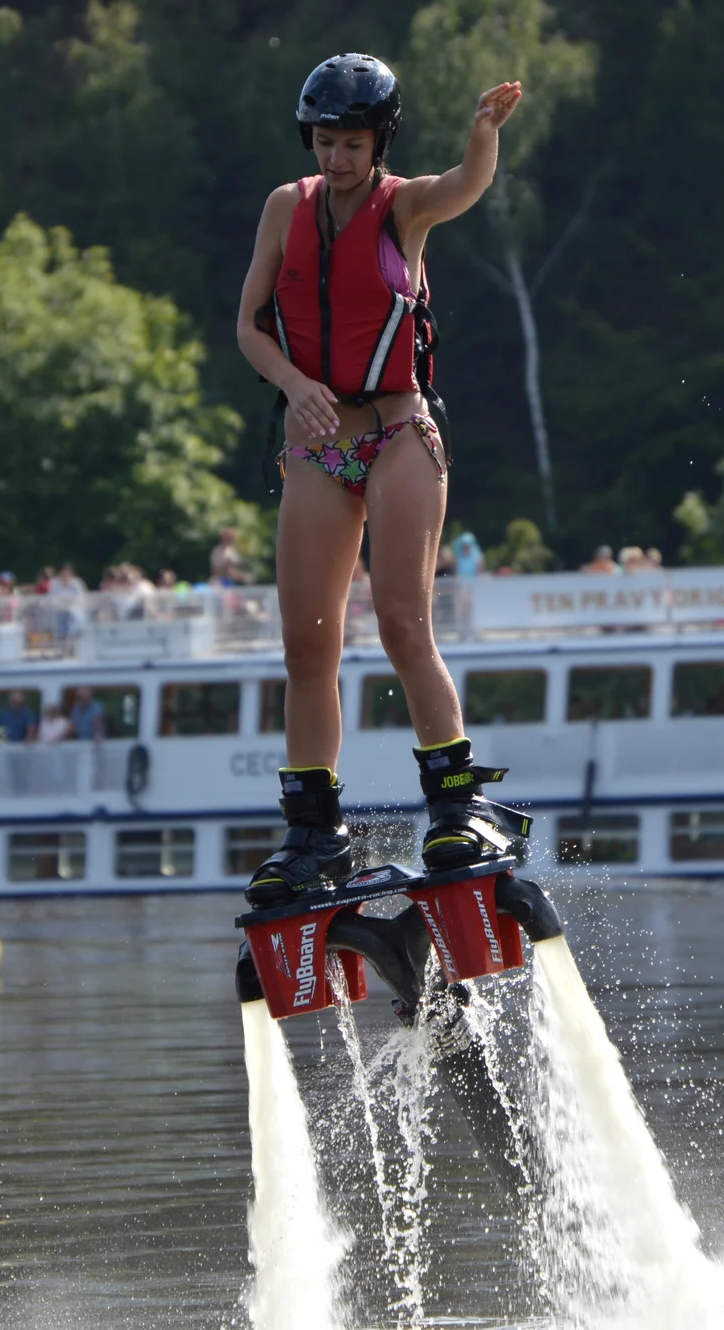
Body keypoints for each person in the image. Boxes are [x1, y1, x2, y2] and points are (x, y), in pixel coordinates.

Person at [233, 52, 526, 906]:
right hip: (319, 441)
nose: (337, 158)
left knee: (402, 623)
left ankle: (456, 805)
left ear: (378, 143)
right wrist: (295, 385)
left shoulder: (407, 207)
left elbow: (467, 185)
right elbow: (252, 325)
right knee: (307, 642)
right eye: (325, 142)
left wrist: (483, 135)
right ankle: (314, 832)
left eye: (352, 144)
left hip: (399, 429)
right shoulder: (286, 208)